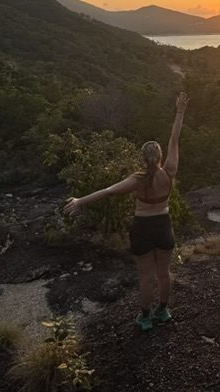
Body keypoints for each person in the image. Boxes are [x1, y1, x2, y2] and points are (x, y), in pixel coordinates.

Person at [63, 92, 189, 332]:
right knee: (164, 273)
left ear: (143, 158)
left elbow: (108, 191)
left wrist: (80, 201)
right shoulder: (170, 171)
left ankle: (145, 318)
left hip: (142, 229)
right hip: (164, 226)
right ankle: (163, 311)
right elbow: (175, 137)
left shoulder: (137, 179)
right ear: (161, 157)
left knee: (146, 278)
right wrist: (180, 111)